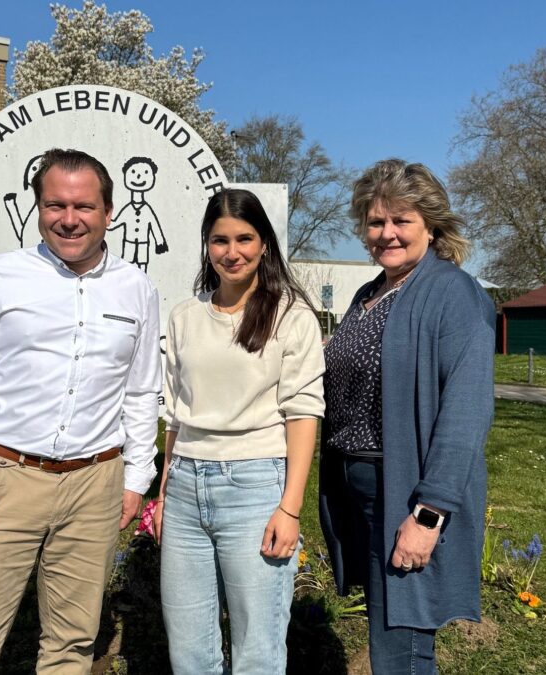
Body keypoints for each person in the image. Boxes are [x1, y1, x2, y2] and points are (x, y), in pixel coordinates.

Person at [0, 148, 162, 673]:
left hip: (95, 483)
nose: (69, 219)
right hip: (3, 480)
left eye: (84, 206)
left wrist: (136, 476)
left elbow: (141, 390)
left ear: (108, 212)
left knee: (73, 647)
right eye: (55, 204)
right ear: (38, 209)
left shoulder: (136, 289)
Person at [318, 159, 495, 674]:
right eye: (376, 223)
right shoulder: (368, 294)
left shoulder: (453, 296)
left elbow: (466, 413)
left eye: (402, 221)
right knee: (387, 632)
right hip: (358, 487)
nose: (387, 234)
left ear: (431, 225)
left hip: (404, 492)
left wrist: (429, 515)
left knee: (402, 649)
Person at [152, 188, 325, 675]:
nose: (233, 252)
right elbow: (176, 414)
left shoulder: (291, 316)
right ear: (206, 246)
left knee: (257, 651)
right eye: (219, 240)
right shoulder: (185, 317)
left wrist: (289, 507)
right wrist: (164, 492)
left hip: (255, 488)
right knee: (188, 652)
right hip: (185, 487)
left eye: (244, 238)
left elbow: (304, 413)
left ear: (265, 243)